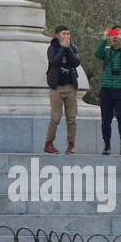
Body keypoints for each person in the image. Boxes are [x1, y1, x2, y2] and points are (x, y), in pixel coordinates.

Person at [95, 25, 121, 155]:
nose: (115, 37)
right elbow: (97, 54)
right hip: (106, 90)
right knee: (105, 120)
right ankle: (107, 145)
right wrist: (104, 39)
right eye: (113, 34)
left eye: (117, 34)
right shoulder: (106, 51)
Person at [44, 25, 79, 154]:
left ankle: (71, 145)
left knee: (71, 118)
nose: (67, 36)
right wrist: (62, 49)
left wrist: (68, 49)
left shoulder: (73, 47)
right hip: (56, 87)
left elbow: (76, 62)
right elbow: (54, 61)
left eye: (68, 34)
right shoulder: (52, 48)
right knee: (55, 117)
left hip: (70, 87)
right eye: (64, 33)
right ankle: (49, 143)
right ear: (57, 35)